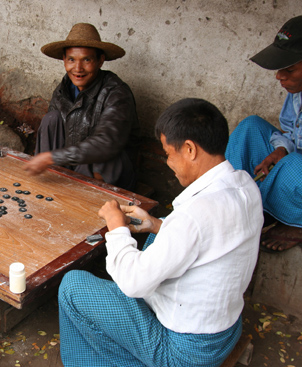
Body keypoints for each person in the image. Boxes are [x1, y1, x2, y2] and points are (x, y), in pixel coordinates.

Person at [58, 98, 263, 366]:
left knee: (72, 286)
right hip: (225, 333)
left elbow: (132, 284)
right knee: (160, 227)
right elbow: (211, 235)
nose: (167, 162)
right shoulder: (245, 185)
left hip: (185, 352)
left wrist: (116, 226)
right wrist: (155, 224)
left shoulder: (194, 214)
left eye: (168, 153)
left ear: (189, 149)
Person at [24, 23, 140, 190]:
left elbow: (106, 143)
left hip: (112, 175)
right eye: (71, 59)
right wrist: (49, 159)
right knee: (52, 119)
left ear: (100, 61)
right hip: (72, 165)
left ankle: (85, 198)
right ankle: (46, 186)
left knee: (101, 155)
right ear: (64, 60)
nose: (78, 68)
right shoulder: (63, 89)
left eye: (86, 60)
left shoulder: (117, 93)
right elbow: (53, 133)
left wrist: (53, 157)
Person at [226, 15, 302, 252]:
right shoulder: (297, 92)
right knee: (250, 127)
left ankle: (296, 222)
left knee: (293, 167)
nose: (279, 76)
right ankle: (231, 201)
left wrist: (288, 158)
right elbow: (290, 132)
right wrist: (281, 149)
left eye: (289, 69)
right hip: (294, 160)